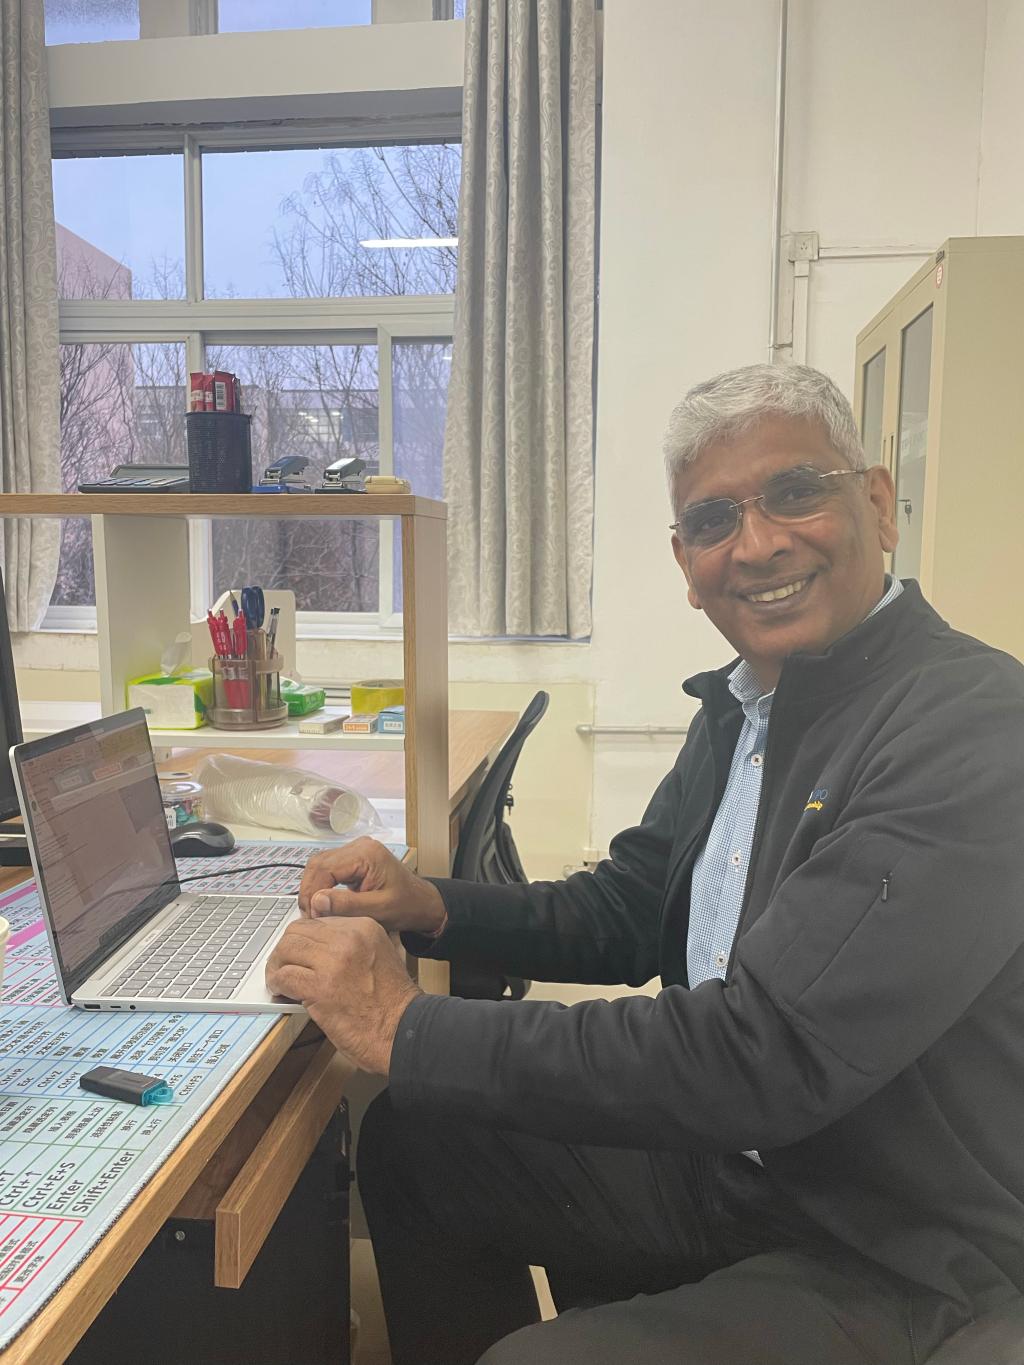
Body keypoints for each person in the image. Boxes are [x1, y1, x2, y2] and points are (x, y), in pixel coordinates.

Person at [266, 363, 1024, 1365]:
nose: (756, 544)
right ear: (685, 562)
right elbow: (629, 909)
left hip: (893, 1243)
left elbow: (761, 1053)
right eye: (714, 520)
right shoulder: (751, 702)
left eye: (794, 492)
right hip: (743, 1162)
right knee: (418, 1139)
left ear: (878, 505)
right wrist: (431, 908)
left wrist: (406, 1024)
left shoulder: (969, 729)